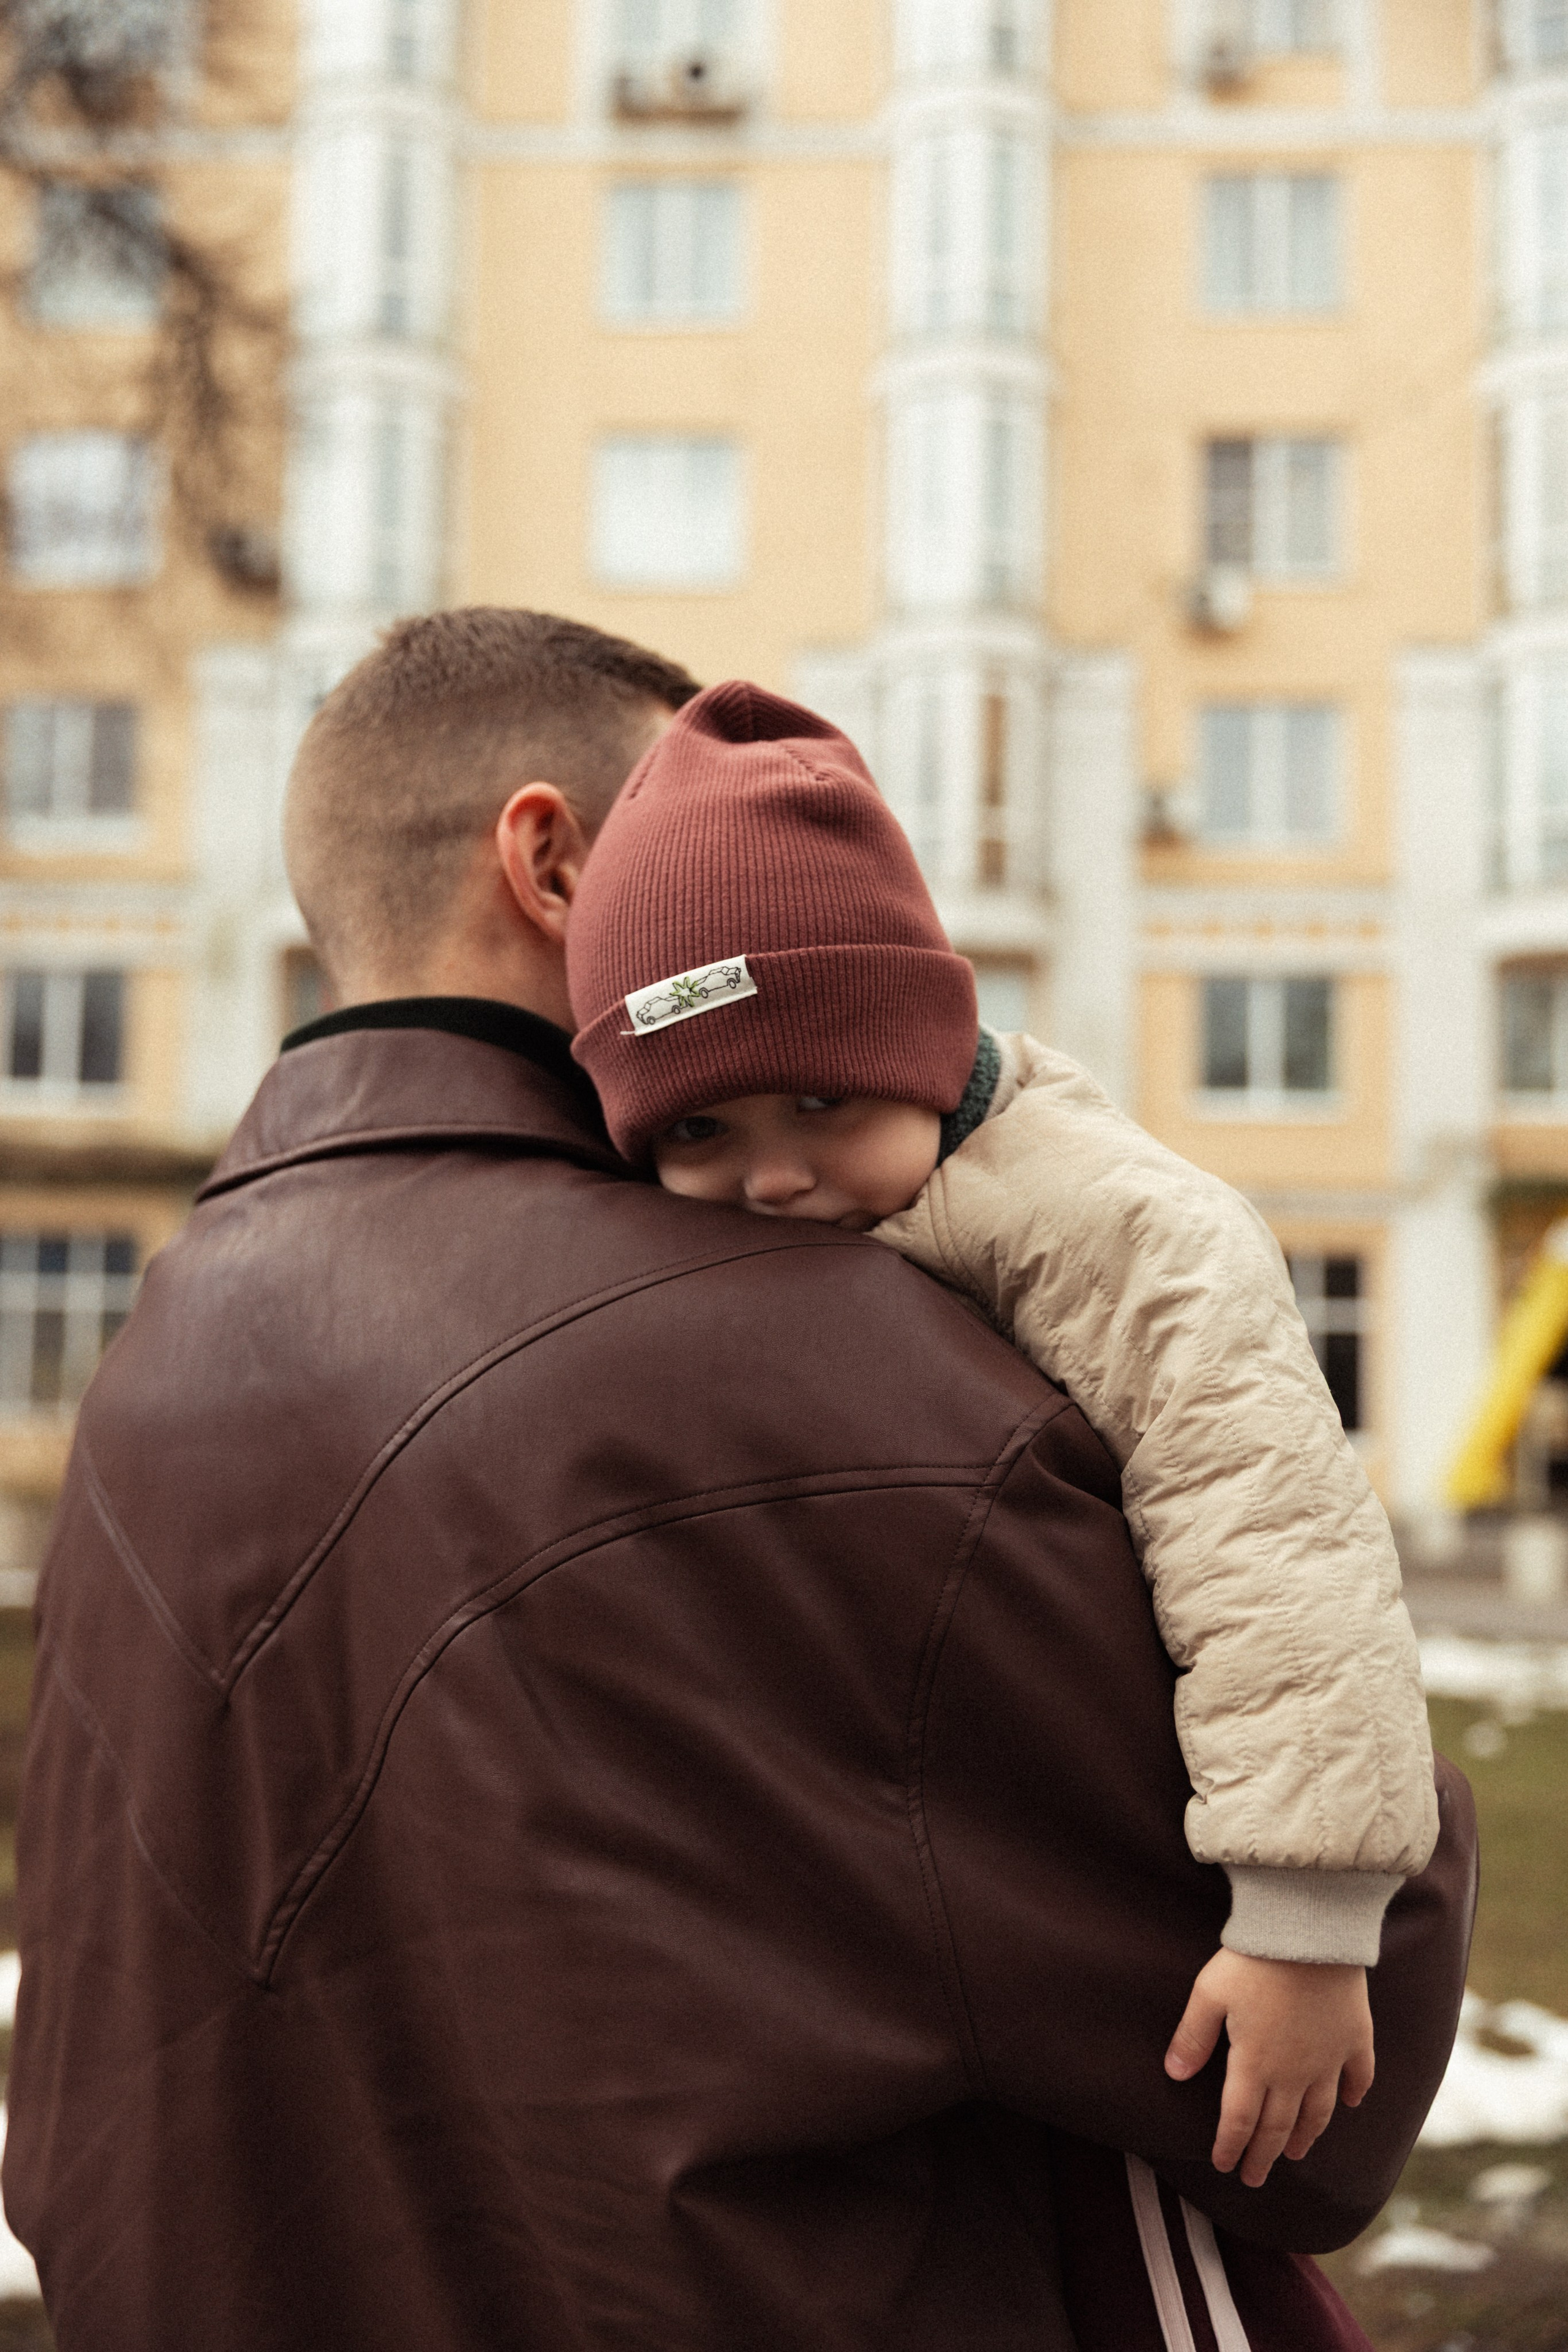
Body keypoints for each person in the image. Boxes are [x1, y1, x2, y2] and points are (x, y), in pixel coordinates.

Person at [6, 610, 1473, 2352]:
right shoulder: (809, 1359)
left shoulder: (152, 1375)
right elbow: (1320, 2063)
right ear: (552, 864)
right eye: (675, 845)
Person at [566, 680, 1439, 2190]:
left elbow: (1277, 1541)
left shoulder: (1121, 1231)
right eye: (698, 1135)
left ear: (919, 1047)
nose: (772, 1179)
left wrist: (1302, 1912)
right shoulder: (859, 1210)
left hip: (1182, 1890)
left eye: (820, 1100)